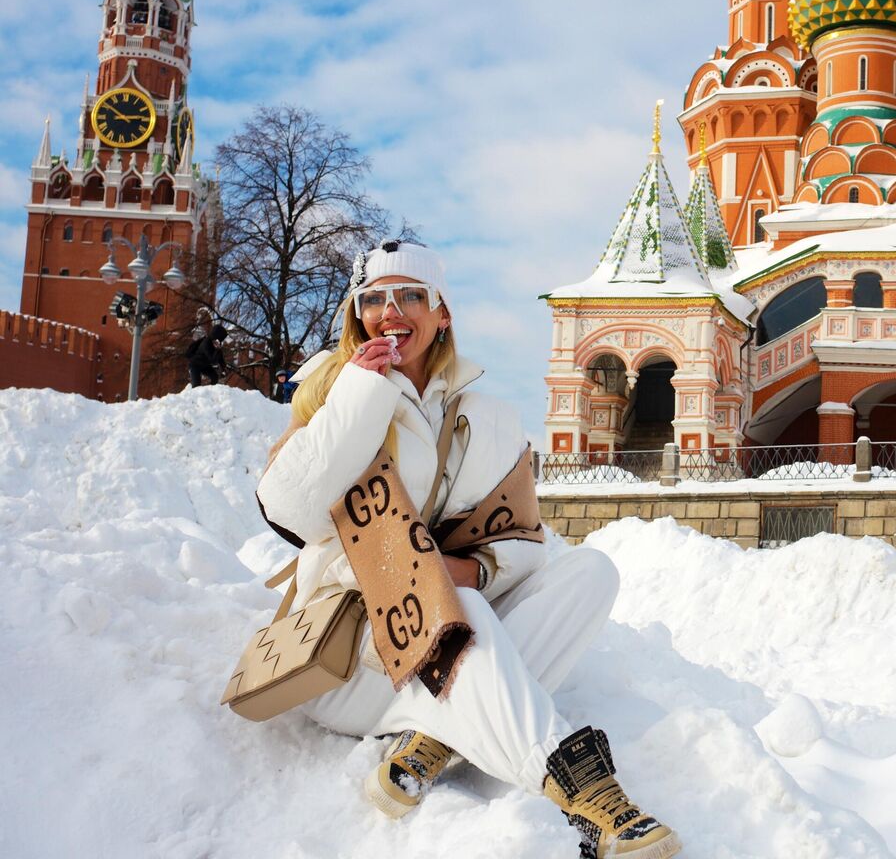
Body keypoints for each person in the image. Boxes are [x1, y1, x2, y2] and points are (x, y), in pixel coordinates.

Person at [254, 241, 680, 859]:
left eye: (410, 295)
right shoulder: (329, 390)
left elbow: (525, 543)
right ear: (357, 314)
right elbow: (290, 513)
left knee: (590, 572)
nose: (390, 310)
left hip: (430, 661)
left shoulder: (480, 412)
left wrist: (475, 567)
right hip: (347, 658)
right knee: (459, 608)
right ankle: (583, 789)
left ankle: (433, 741)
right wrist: (360, 396)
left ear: (442, 312)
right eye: (373, 298)